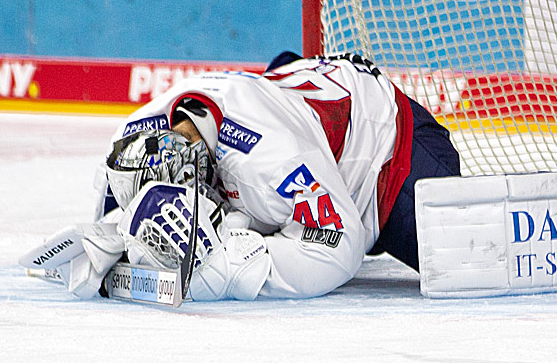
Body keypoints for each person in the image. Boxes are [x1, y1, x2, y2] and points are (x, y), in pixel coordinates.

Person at [40, 52, 461, 300]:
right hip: (293, 89)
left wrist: (231, 264)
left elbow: (341, 247)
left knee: (462, 253)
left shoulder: (270, 159)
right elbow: (113, 209)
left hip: (388, 148)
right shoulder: (131, 139)